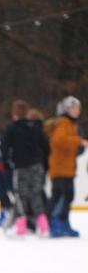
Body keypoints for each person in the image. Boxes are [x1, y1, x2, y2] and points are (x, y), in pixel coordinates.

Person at [1, 100, 50, 237]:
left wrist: (6, 164)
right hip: (37, 166)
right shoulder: (36, 128)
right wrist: (44, 164)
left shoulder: (13, 129)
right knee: (36, 195)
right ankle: (44, 227)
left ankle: (21, 228)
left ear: (15, 114)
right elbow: (46, 147)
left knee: (21, 196)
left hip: (21, 167)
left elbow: (5, 148)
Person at [46, 95, 88, 238]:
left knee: (68, 196)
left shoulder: (72, 125)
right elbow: (59, 140)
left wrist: (78, 149)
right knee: (60, 196)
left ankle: (64, 222)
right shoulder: (63, 123)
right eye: (73, 108)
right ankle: (53, 223)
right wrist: (79, 142)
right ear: (65, 109)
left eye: (78, 108)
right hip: (59, 168)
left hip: (68, 168)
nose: (76, 111)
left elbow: (69, 147)